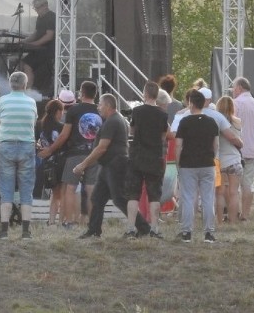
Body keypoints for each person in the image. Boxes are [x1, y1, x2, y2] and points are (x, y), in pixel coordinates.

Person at [74, 94, 152, 240]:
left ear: (108, 106)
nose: (98, 108)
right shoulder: (116, 119)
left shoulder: (112, 121)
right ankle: (94, 230)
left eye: (100, 105)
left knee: (119, 198)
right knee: (97, 198)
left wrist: (83, 165)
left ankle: (144, 227)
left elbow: (102, 148)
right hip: (108, 165)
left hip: (115, 164)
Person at [39, 81, 101, 227]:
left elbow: (64, 135)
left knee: (70, 188)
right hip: (94, 153)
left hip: (75, 154)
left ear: (81, 93)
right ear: (95, 94)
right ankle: (92, 222)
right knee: (91, 188)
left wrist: (50, 150)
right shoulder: (100, 110)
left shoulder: (74, 110)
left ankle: (69, 221)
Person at [0, 71, 38, 241]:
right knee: (26, 188)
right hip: (27, 145)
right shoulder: (31, 102)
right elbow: (32, 123)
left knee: (6, 187)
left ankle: (4, 230)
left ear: (10, 84)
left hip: (7, 146)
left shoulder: (3, 101)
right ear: (25, 85)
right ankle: (26, 231)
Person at [125, 81, 169, 238]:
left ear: (145, 93)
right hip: (154, 158)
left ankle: (130, 228)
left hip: (137, 157)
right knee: (154, 195)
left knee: (133, 194)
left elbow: (131, 132)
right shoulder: (163, 114)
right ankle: (154, 228)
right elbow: (164, 137)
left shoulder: (136, 111)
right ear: (157, 95)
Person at [176, 89, 220, 243]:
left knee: (188, 197)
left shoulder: (184, 122)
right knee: (208, 198)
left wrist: (177, 163)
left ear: (191, 104)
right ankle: (209, 232)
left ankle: (187, 232)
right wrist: (212, 157)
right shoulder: (211, 122)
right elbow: (216, 144)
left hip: (188, 164)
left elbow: (178, 146)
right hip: (207, 163)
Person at [232, 76, 254, 221]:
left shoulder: (236, 103)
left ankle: (234, 212)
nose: (233, 91)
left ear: (239, 88)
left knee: (234, 185)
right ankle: (245, 214)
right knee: (248, 183)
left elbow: (231, 126)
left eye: (233, 88)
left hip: (236, 149)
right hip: (252, 149)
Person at [37, 96, 69, 225]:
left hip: (47, 163)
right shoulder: (62, 127)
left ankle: (51, 221)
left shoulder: (40, 125)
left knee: (53, 193)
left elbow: (37, 142)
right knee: (62, 193)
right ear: (58, 112)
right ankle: (61, 221)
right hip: (61, 161)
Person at [19, 0, 56, 95]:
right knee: (22, 62)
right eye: (35, 8)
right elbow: (36, 33)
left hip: (48, 50)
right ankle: (25, 88)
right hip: (40, 49)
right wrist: (25, 41)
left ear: (45, 5)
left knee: (27, 65)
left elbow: (49, 36)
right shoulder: (40, 17)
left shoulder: (51, 17)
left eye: (37, 8)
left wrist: (33, 44)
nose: (36, 10)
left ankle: (28, 91)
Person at [215, 95, 243, 225]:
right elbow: (237, 140)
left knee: (220, 193)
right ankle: (233, 220)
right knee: (234, 192)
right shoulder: (237, 122)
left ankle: (219, 219)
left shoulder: (215, 122)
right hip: (234, 160)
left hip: (219, 161)